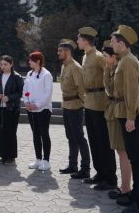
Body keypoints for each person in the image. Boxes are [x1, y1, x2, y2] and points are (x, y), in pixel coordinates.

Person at [111, 25, 139, 213]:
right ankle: (135, 194)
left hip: (130, 113)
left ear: (121, 43)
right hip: (126, 112)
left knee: (137, 159)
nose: (111, 45)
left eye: (113, 42)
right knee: (134, 158)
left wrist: (130, 117)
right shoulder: (125, 59)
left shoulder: (127, 61)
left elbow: (132, 91)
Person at [78, 26, 117, 190]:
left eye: (79, 39)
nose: (77, 41)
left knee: (103, 140)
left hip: (100, 101)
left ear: (86, 41)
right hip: (89, 101)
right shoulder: (85, 57)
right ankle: (100, 172)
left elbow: (111, 73)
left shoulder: (99, 57)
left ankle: (110, 178)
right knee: (94, 140)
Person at [102, 39, 133, 203]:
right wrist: (107, 69)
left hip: (119, 111)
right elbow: (107, 88)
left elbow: (120, 91)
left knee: (123, 152)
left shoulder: (123, 66)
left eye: (106, 56)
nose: (104, 59)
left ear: (114, 56)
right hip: (112, 111)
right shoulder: (112, 68)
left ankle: (126, 187)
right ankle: (124, 186)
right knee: (119, 151)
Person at [57, 39, 91, 179]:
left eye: (60, 51)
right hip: (66, 106)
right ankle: (73, 165)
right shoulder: (64, 66)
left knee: (79, 137)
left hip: (75, 106)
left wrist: (84, 106)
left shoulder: (75, 67)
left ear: (68, 52)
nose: (58, 53)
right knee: (70, 137)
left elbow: (82, 89)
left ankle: (85, 168)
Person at [0, 55, 24, 164]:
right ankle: (3, 155)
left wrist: (9, 97)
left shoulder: (16, 77)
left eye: (5, 64)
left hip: (12, 108)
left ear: (11, 64)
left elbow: (21, 92)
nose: (3, 66)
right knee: (0, 131)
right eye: (1, 64)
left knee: (11, 132)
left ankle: (11, 156)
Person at [23, 51, 53, 171]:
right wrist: (26, 102)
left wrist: (37, 105)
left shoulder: (46, 74)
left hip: (43, 109)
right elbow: (25, 90)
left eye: (31, 60)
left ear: (38, 61)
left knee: (44, 134)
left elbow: (48, 93)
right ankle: (38, 159)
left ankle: (46, 160)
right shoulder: (29, 73)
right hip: (31, 109)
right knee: (35, 134)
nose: (29, 62)